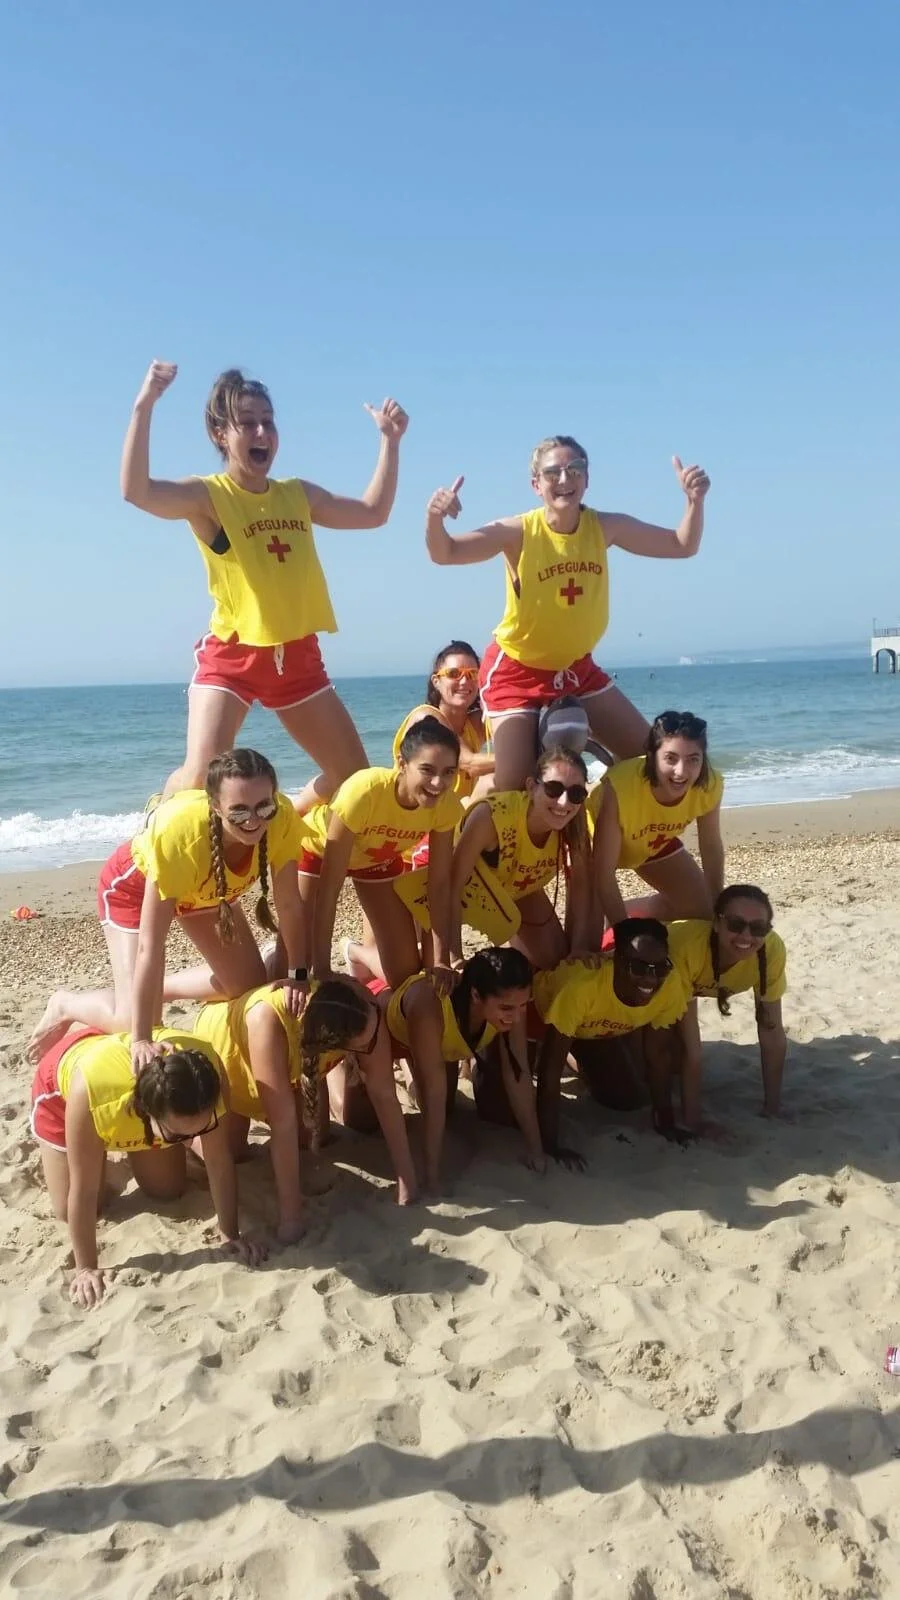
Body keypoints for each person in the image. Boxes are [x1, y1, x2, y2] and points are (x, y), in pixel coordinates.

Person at [121, 360, 408, 803]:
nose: (262, 434)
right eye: (248, 423)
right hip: (233, 654)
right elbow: (137, 491)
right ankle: (162, 811)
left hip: (297, 655)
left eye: (268, 423)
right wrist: (145, 405)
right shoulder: (209, 496)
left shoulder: (297, 494)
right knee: (201, 780)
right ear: (221, 434)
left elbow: (373, 512)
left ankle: (288, 818)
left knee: (354, 781)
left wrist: (390, 442)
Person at [425, 438, 710, 788]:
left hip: (577, 667)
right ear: (536, 484)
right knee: (515, 784)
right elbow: (445, 552)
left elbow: (682, 545)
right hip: (517, 672)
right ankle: (479, 826)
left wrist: (694, 502)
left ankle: (597, 821)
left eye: (575, 469)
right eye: (552, 472)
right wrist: (435, 518)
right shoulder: (518, 531)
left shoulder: (605, 527)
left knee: (646, 763)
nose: (565, 478)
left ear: (586, 480)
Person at [27, 750, 308, 1072]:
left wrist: (298, 974)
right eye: (239, 812)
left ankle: (145, 991)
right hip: (133, 889)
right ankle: (67, 1004)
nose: (254, 821)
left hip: (207, 889)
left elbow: (289, 904)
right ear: (216, 807)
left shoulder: (282, 818)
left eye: (264, 807)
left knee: (246, 986)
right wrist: (141, 1039)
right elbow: (151, 945)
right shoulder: (181, 836)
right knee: (132, 1021)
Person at [30, 1027, 266, 1309]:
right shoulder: (93, 1094)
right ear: (146, 1111)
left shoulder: (207, 1075)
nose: (192, 1137)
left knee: (167, 1189)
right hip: (61, 1091)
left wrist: (230, 1234)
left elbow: (218, 1160)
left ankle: (129, 1148)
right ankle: (104, 1153)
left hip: (135, 1093)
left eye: (197, 1131)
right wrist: (86, 1268)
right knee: (72, 1208)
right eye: (178, 1135)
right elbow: (84, 1189)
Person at [193, 974, 419, 1217]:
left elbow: (384, 1092)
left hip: (291, 1067)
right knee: (230, 1151)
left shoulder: (362, 1007)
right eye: (364, 1047)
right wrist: (291, 1220)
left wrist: (407, 1181)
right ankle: (186, 1138)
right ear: (331, 1046)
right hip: (229, 1062)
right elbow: (282, 1125)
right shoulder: (268, 1020)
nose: (375, 1044)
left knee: (312, 1136)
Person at [351, 946, 539, 1186]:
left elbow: (518, 1072)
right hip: (381, 1020)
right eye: (507, 1008)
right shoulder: (431, 1005)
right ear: (475, 995)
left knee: (444, 1102)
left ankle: (411, 1066)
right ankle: (356, 952)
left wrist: (536, 1150)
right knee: (356, 1119)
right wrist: (432, 1177)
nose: (517, 1016)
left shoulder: (511, 1004)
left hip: (429, 1042)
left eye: (523, 1005)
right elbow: (433, 1093)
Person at [301, 718, 462, 990]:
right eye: (427, 769)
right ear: (402, 764)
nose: (438, 782)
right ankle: (280, 955)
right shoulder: (364, 791)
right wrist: (323, 968)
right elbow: (330, 889)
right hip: (318, 850)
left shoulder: (447, 806)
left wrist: (441, 960)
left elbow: (438, 885)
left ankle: (354, 952)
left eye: (449, 772)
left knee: (406, 975)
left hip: (376, 860)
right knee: (297, 967)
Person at [532, 919, 691, 1150]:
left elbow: (658, 1056)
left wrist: (666, 1124)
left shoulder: (670, 984)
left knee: (627, 1098)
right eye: (638, 968)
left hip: (588, 1028)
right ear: (615, 958)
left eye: (660, 968)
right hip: (535, 1014)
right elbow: (551, 1070)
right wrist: (550, 1145)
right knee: (500, 1109)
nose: (650, 978)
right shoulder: (582, 987)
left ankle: (571, 1052)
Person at [439, 747, 592, 970]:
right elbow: (451, 887)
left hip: (517, 888)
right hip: (458, 889)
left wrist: (579, 947)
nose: (564, 802)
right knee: (413, 965)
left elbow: (581, 885)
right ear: (531, 787)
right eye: (553, 788)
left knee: (556, 964)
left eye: (576, 793)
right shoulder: (491, 818)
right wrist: (453, 957)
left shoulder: (573, 824)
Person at [590, 711, 725, 930]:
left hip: (649, 838)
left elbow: (710, 846)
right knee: (590, 936)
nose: (681, 772)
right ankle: (606, 918)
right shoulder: (618, 786)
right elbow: (603, 873)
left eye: (693, 759)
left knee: (704, 913)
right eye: (671, 758)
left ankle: (632, 910)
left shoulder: (709, 785)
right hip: (593, 845)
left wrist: (720, 909)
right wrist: (623, 932)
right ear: (652, 757)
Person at [668, 885, 788, 1130]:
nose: (746, 936)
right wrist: (694, 1122)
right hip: (636, 967)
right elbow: (693, 1048)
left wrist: (772, 1109)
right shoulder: (687, 947)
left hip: (678, 987)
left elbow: (772, 1033)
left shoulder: (771, 950)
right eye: (735, 924)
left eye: (758, 928)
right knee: (632, 1084)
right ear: (716, 923)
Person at [392, 640, 494, 800]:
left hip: (451, 817)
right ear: (436, 682)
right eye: (454, 674)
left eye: (473, 674)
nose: (464, 681)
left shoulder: (474, 723)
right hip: (414, 816)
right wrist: (524, 760)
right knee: (490, 783)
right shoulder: (427, 718)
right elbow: (469, 764)